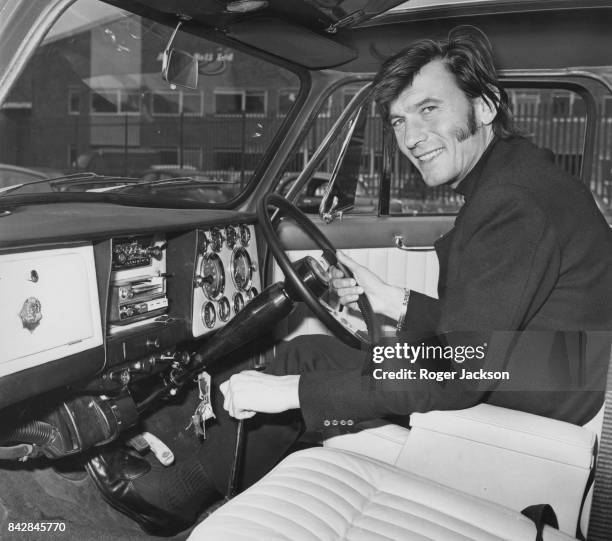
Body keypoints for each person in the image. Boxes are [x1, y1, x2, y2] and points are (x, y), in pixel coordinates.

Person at [88, 26, 612, 532]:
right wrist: (395, 301)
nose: (411, 137)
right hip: (553, 371)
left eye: (429, 109)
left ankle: (175, 497)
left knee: (301, 363)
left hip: (541, 392)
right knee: (314, 357)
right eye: (399, 121)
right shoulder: (518, 176)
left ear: (485, 105)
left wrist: (289, 392)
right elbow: (488, 330)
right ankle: (222, 482)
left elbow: (457, 370)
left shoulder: (509, 202)